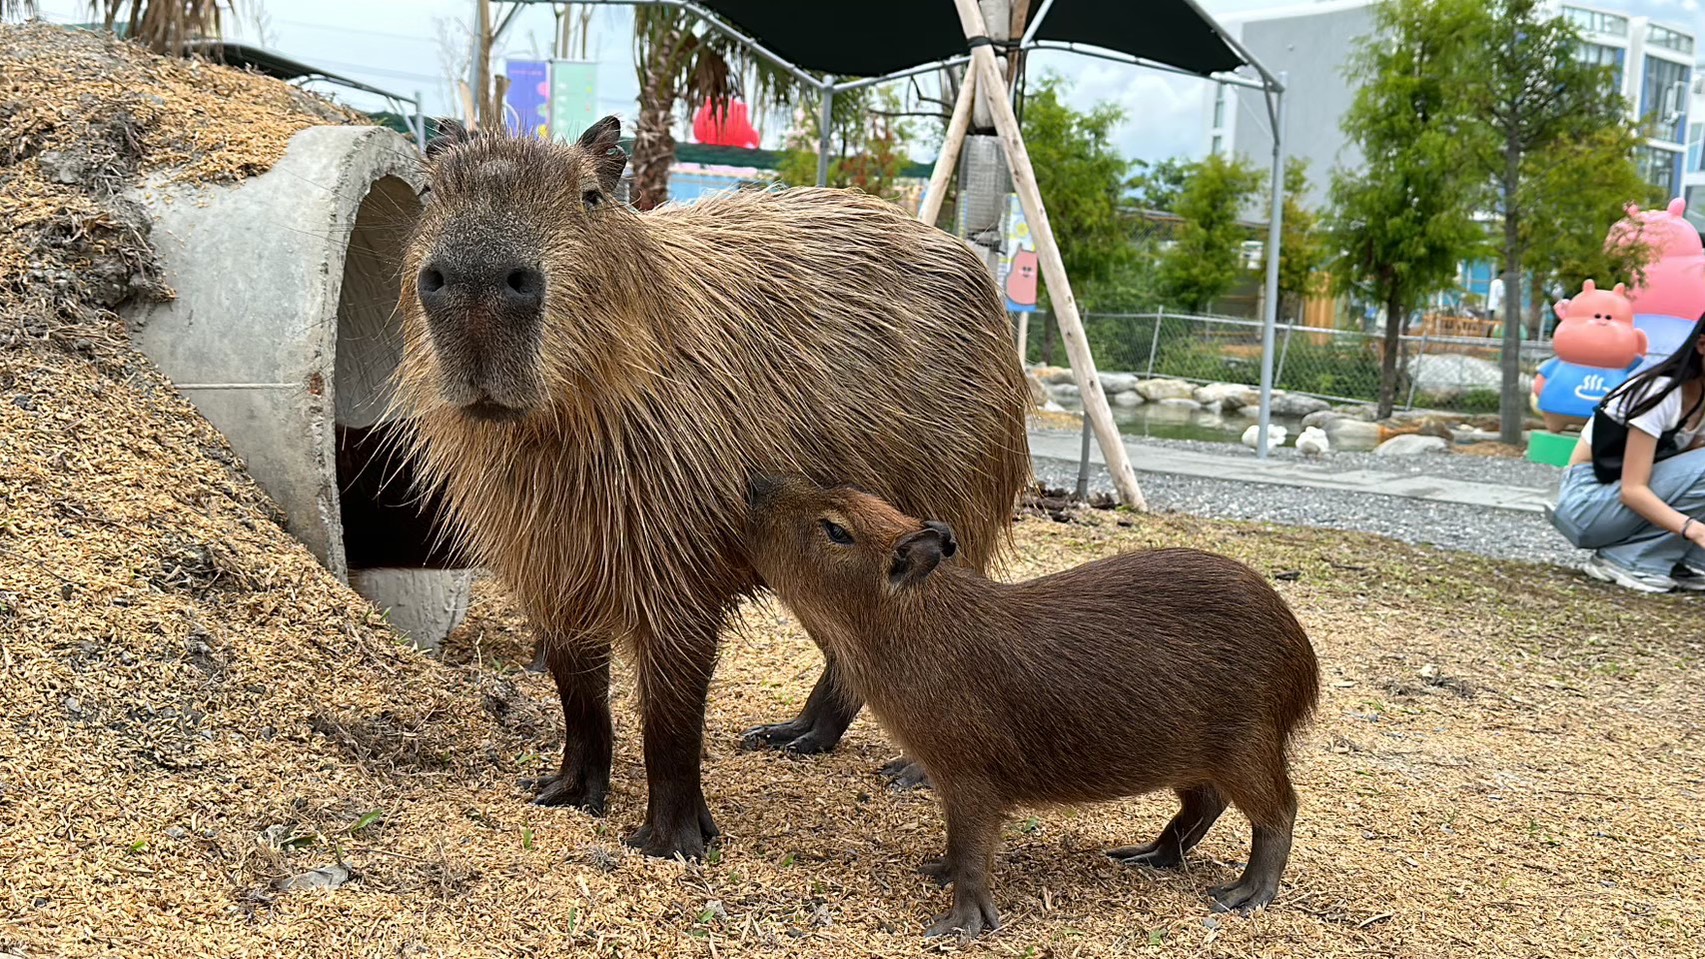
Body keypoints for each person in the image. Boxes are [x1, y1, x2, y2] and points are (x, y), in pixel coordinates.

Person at [1549, 312, 1705, 592]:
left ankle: (1671, 559)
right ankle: (1628, 560)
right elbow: (1632, 490)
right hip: (1588, 503)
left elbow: (1688, 480)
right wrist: (1694, 529)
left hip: (1618, 506)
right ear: (1702, 345)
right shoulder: (1661, 393)